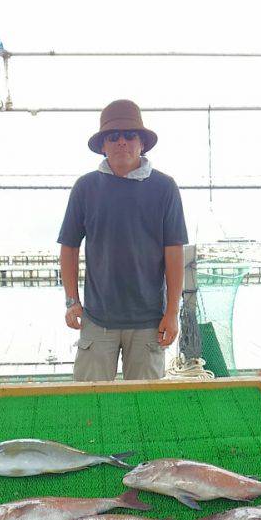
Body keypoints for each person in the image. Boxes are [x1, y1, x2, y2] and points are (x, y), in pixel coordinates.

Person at [58, 99, 188, 382]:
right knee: (90, 399)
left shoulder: (165, 187)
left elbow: (174, 252)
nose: (121, 142)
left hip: (149, 322)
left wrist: (172, 312)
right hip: (96, 318)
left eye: (130, 135)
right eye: (113, 136)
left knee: (145, 403)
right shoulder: (85, 187)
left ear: (142, 143)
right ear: (103, 145)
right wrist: (71, 301)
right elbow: (69, 247)